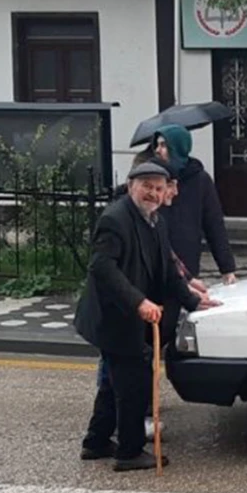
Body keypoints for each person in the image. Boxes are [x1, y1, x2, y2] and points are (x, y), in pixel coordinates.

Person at [77, 160, 219, 472]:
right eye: (147, 187)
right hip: (114, 315)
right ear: (131, 186)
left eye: (158, 188)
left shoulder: (156, 221)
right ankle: (129, 453)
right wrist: (139, 302)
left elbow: (168, 272)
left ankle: (96, 442)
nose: (153, 194)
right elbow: (102, 267)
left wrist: (192, 302)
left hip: (130, 315)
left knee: (114, 383)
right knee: (134, 383)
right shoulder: (115, 219)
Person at [150, 124, 237, 284]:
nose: (157, 150)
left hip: (186, 259)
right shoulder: (151, 177)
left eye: (163, 145)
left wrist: (227, 268)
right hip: (154, 259)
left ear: (177, 148)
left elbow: (214, 224)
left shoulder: (200, 180)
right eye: (157, 145)